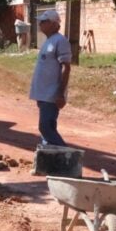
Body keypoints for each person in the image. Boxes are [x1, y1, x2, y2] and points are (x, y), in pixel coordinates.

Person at [29, 10, 72, 147]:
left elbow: (66, 68)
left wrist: (60, 94)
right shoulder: (48, 41)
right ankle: (50, 163)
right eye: (40, 21)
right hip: (43, 95)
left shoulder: (60, 41)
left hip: (52, 95)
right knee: (47, 132)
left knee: (45, 128)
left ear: (54, 24)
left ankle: (67, 158)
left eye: (44, 21)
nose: (40, 24)